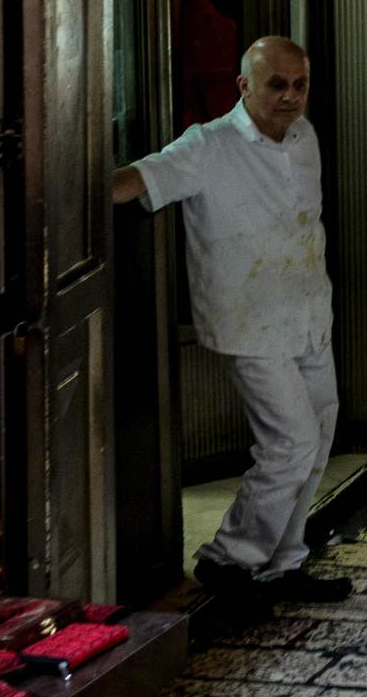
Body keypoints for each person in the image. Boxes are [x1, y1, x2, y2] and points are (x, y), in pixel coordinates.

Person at [112, 37, 349, 617]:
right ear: (244, 85)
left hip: (308, 312)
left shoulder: (305, 137)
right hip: (251, 322)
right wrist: (59, 189)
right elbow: (140, 179)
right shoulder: (208, 145)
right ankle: (229, 558)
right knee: (290, 442)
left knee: (318, 436)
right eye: (277, 85)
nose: (290, 96)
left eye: (300, 84)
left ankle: (283, 562)